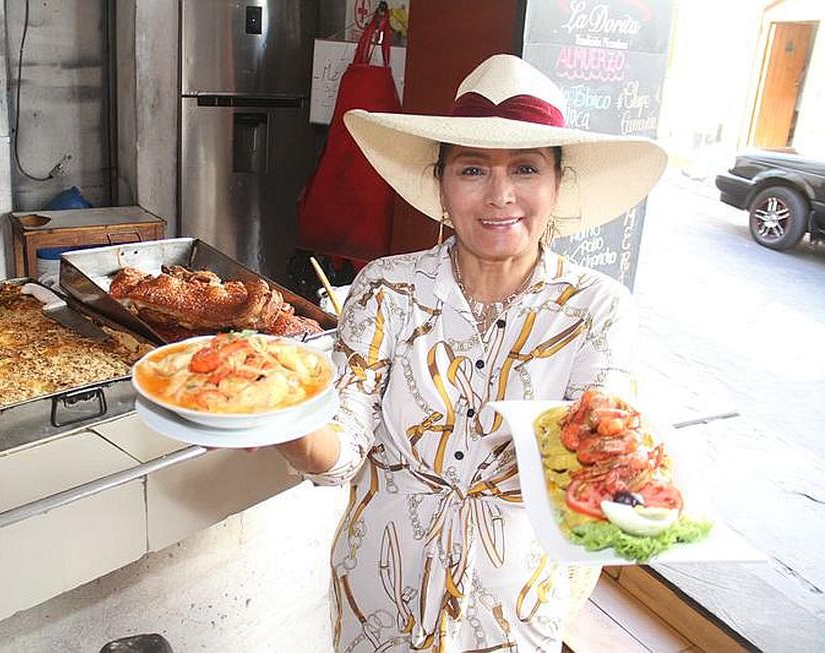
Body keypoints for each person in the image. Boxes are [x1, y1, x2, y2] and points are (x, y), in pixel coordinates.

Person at [277, 55, 666, 651]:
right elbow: (343, 446)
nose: (500, 195)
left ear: (558, 184)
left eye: (527, 169)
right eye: (473, 169)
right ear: (441, 183)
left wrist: (621, 487)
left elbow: (598, 466)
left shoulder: (596, 309)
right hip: (380, 600)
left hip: (513, 613)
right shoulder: (386, 289)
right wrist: (286, 424)